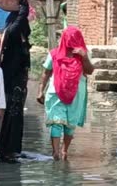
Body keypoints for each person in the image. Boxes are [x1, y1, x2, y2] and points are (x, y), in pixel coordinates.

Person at [37, 26, 94, 160]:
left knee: (70, 124)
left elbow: (90, 71)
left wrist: (84, 57)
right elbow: (46, 72)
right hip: (56, 92)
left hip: (75, 94)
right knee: (56, 122)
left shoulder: (83, 54)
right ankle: (56, 152)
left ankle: (64, 150)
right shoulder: (54, 54)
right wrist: (40, 91)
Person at [0, 0, 31, 163]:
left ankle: (9, 148)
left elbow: (21, 15)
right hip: (13, 76)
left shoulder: (9, 29)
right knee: (13, 113)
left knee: (12, 113)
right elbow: (23, 12)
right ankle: (9, 150)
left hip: (11, 75)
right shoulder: (14, 31)